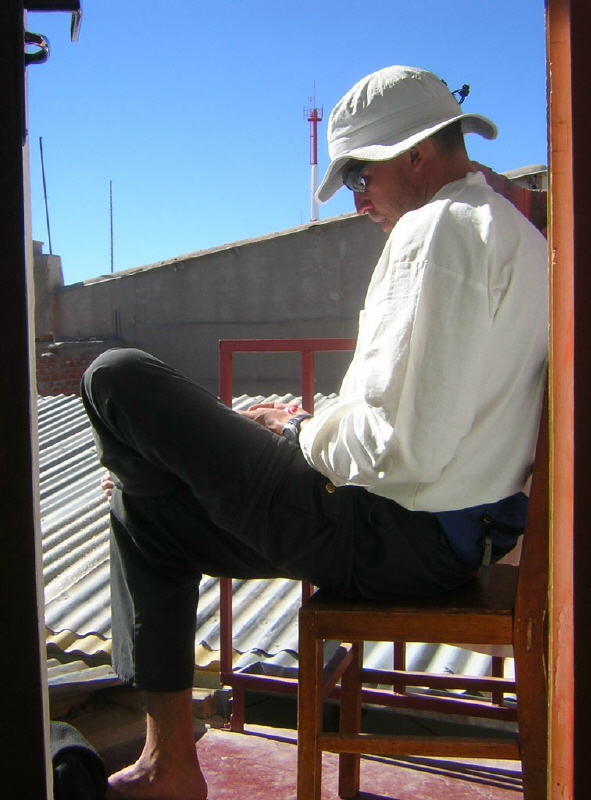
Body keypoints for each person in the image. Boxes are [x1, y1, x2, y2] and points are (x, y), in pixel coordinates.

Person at [82, 65, 548, 800]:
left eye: (361, 177)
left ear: (415, 155)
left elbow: (407, 447)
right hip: (436, 536)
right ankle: (169, 765)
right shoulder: (511, 232)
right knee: (146, 516)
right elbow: (423, 414)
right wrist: (300, 426)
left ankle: (172, 763)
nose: (359, 201)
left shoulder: (439, 231)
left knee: (115, 377)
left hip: (391, 532)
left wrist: (296, 435)